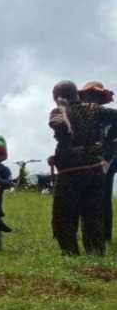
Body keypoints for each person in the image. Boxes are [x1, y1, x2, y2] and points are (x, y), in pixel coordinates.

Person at [48, 80, 117, 256]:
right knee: (93, 215)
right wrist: (105, 142)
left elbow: (59, 125)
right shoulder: (95, 109)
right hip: (94, 170)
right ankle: (96, 254)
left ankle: (71, 254)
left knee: (63, 216)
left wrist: (67, 147)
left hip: (71, 173)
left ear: (58, 97)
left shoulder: (59, 111)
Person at [79, 81, 116, 242]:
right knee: (86, 195)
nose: (90, 99)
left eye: (94, 96)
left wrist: (108, 143)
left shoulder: (108, 114)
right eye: (87, 96)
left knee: (102, 194)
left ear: (101, 98)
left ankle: (104, 236)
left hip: (107, 158)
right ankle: (92, 234)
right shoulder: (82, 117)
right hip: (88, 159)